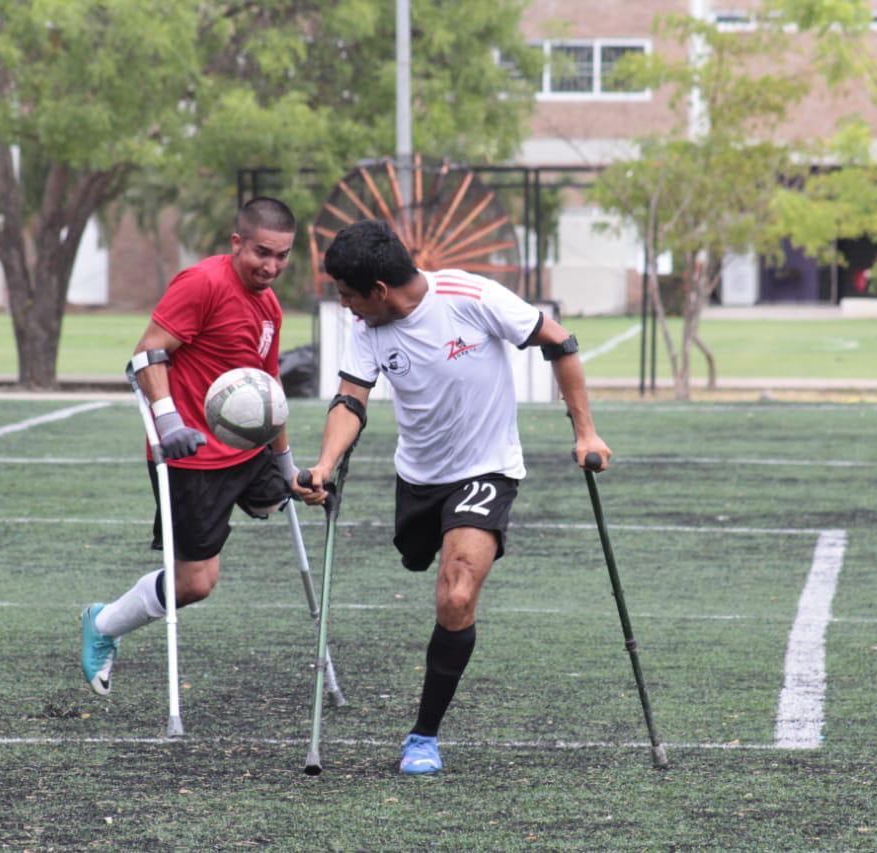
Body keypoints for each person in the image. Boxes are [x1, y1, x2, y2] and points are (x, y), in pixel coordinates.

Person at [293, 219, 610, 775]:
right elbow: (351, 400)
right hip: (418, 478)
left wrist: (584, 432)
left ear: (380, 291)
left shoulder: (471, 296)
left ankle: (423, 737)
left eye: (348, 296)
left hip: (487, 470)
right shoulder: (368, 329)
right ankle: (425, 551)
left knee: (456, 593)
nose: (345, 307)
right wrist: (325, 465)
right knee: (419, 560)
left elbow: (559, 340)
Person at [80, 197, 299, 696]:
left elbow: (270, 385)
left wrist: (286, 464)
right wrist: (168, 420)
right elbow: (146, 354)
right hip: (191, 455)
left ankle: (260, 491)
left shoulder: (269, 304)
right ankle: (104, 622)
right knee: (197, 583)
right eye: (262, 253)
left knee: (274, 498)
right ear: (237, 242)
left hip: (247, 447)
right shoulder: (202, 283)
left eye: (283, 256)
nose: (271, 267)